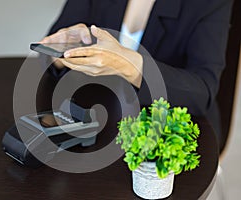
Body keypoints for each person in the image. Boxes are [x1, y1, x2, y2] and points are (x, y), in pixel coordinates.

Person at [39, 0, 233, 148]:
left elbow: (203, 92)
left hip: (165, 127)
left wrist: (129, 65)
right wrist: (62, 52)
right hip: (96, 113)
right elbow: (51, 47)